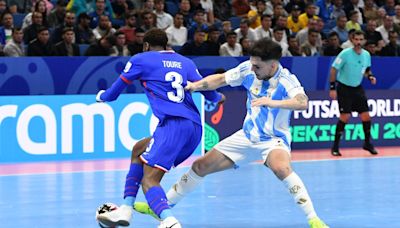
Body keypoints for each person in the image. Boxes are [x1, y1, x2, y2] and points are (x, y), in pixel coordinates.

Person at [134, 38, 329, 228]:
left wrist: (273, 102)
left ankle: (313, 219)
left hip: (273, 140)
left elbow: (302, 102)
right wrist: (196, 85)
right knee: (200, 166)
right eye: (252, 64)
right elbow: (221, 79)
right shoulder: (249, 69)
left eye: (258, 66)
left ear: (272, 65)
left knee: (281, 169)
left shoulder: (287, 80)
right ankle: (162, 205)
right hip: (246, 136)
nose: (253, 69)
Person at [94, 28, 224, 228]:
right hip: (194, 128)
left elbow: (113, 93)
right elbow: (207, 90)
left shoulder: (141, 59)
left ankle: (169, 221)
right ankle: (126, 210)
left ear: (146, 46)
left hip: (173, 125)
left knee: (150, 181)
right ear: (166, 45)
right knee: (139, 149)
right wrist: (218, 98)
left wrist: (101, 96)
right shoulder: (186, 62)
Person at [329, 30, 378, 156]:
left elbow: (366, 70)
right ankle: (335, 147)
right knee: (345, 116)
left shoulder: (366, 55)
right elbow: (334, 69)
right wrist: (332, 87)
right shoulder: (345, 53)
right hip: (344, 88)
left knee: (366, 115)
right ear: (352, 40)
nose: (358, 42)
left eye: (361, 40)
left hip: (357, 88)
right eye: (356, 39)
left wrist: (370, 76)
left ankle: (367, 143)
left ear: (364, 41)